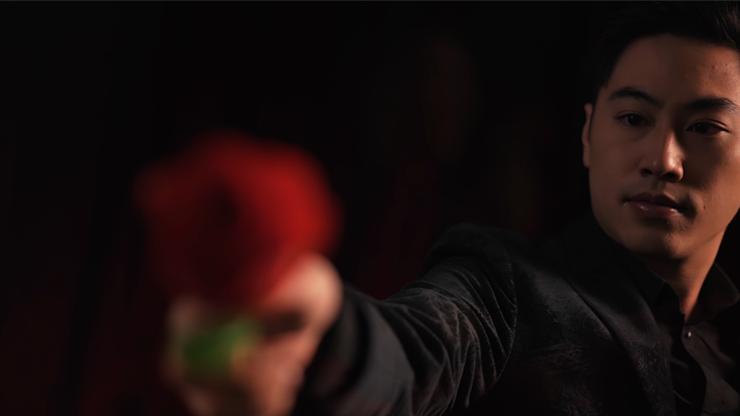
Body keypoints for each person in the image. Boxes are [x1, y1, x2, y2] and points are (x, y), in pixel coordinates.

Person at [165, 0, 740, 415]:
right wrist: (322, 330)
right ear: (589, 135)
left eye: (705, 127)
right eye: (634, 118)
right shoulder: (505, 288)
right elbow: (412, 354)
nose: (663, 160)